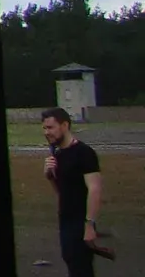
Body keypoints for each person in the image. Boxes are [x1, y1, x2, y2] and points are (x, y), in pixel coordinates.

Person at [43, 107, 105, 276]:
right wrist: (49, 176)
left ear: (64, 125)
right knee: (71, 261)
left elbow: (95, 189)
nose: (46, 132)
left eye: (50, 127)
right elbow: (62, 192)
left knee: (81, 267)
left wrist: (89, 224)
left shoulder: (84, 153)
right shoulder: (57, 153)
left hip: (81, 220)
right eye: (44, 128)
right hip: (65, 219)